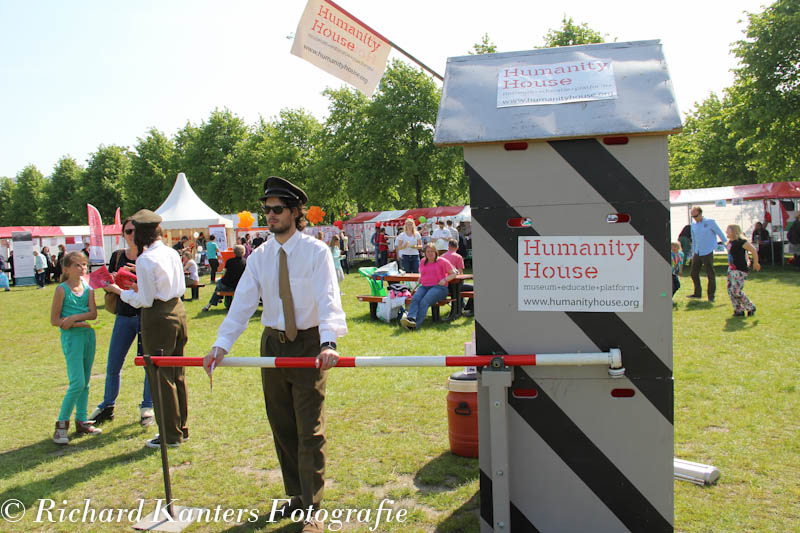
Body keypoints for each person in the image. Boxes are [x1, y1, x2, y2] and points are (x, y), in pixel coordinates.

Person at [203, 176, 346, 533]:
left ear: (297, 213)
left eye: (277, 209)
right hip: (272, 345)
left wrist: (329, 342)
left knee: (309, 428)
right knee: (281, 424)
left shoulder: (316, 252)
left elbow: (329, 298)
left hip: (308, 344)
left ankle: (313, 508)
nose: (270, 215)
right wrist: (221, 345)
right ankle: (296, 496)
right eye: (266, 210)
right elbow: (242, 304)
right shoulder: (260, 256)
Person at [104, 210, 189, 449]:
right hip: (177, 310)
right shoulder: (171, 252)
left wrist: (120, 291)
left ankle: (170, 435)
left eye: (133, 232)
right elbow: (173, 286)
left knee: (161, 377)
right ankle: (181, 428)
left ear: (141, 234)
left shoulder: (145, 259)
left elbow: (145, 300)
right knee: (177, 374)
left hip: (158, 317)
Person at [91, 217, 155, 427]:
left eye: (135, 231)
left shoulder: (149, 257)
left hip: (145, 315)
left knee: (148, 362)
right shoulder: (117, 256)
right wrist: (110, 280)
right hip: (124, 315)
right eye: (127, 231)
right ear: (123, 234)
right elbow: (108, 281)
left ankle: (147, 406)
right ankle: (108, 404)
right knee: (114, 362)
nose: (131, 235)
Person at [51, 251, 101, 444]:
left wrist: (74, 319)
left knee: (86, 381)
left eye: (84, 265)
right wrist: (73, 322)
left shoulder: (88, 288)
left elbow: (93, 313)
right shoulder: (61, 290)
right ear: (66, 269)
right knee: (77, 382)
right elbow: (55, 320)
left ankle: (81, 420)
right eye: (77, 265)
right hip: (72, 339)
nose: (82, 268)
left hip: (88, 336)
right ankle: (61, 425)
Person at [400, 243, 458, 331]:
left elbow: (454, 273)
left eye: (432, 251)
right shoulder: (423, 261)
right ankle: (411, 319)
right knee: (415, 298)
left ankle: (414, 326)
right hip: (424, 287)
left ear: (436, 252)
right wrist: (420, 278)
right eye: (428, 251)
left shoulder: (442, 261)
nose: (430, 253)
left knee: (424, 301)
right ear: (425, 253)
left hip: (439, 288)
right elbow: (423, 273)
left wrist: (445, 280)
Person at [688, 206, 726, 302]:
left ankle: (711, 296)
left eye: (696, 215)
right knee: (693, 273)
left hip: (708, 251)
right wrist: (693, 252)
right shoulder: (693, 225)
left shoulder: (710, 222)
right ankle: (697, 293)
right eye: (692, 216)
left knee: (710, 274)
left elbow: (720, 233)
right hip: (697, 251)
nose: (694, 218)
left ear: (700, 214)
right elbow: (694, 239)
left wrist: (728, 245)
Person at [725, 224, 760, 317]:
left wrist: (755, 263)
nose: (726, 232)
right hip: (731, 269)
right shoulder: (729, 243)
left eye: (728, 230)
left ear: (734, 231)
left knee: (736, 290)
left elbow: (753, 250)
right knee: (730, 290)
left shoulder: (741, 242)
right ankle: (738, 310)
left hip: (740, 270)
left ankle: (750, 306)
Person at [202, 244, 247, 311]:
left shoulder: (229, 261)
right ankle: (225, 303)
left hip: (226, 284)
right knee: (222, 285)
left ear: (234, 252)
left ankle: (210, 304)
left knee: (219, 286)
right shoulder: (245, 262)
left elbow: (225, 272)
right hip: (238, 285)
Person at [442, 239, 474, 317]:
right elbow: (460, 274)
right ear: (457, 247)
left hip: (445, 285)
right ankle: (470, 308)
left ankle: (463, 306)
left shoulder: (442, 257)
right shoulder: (458, 257)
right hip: (455, 285)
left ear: (448, 246)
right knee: (475, 288)